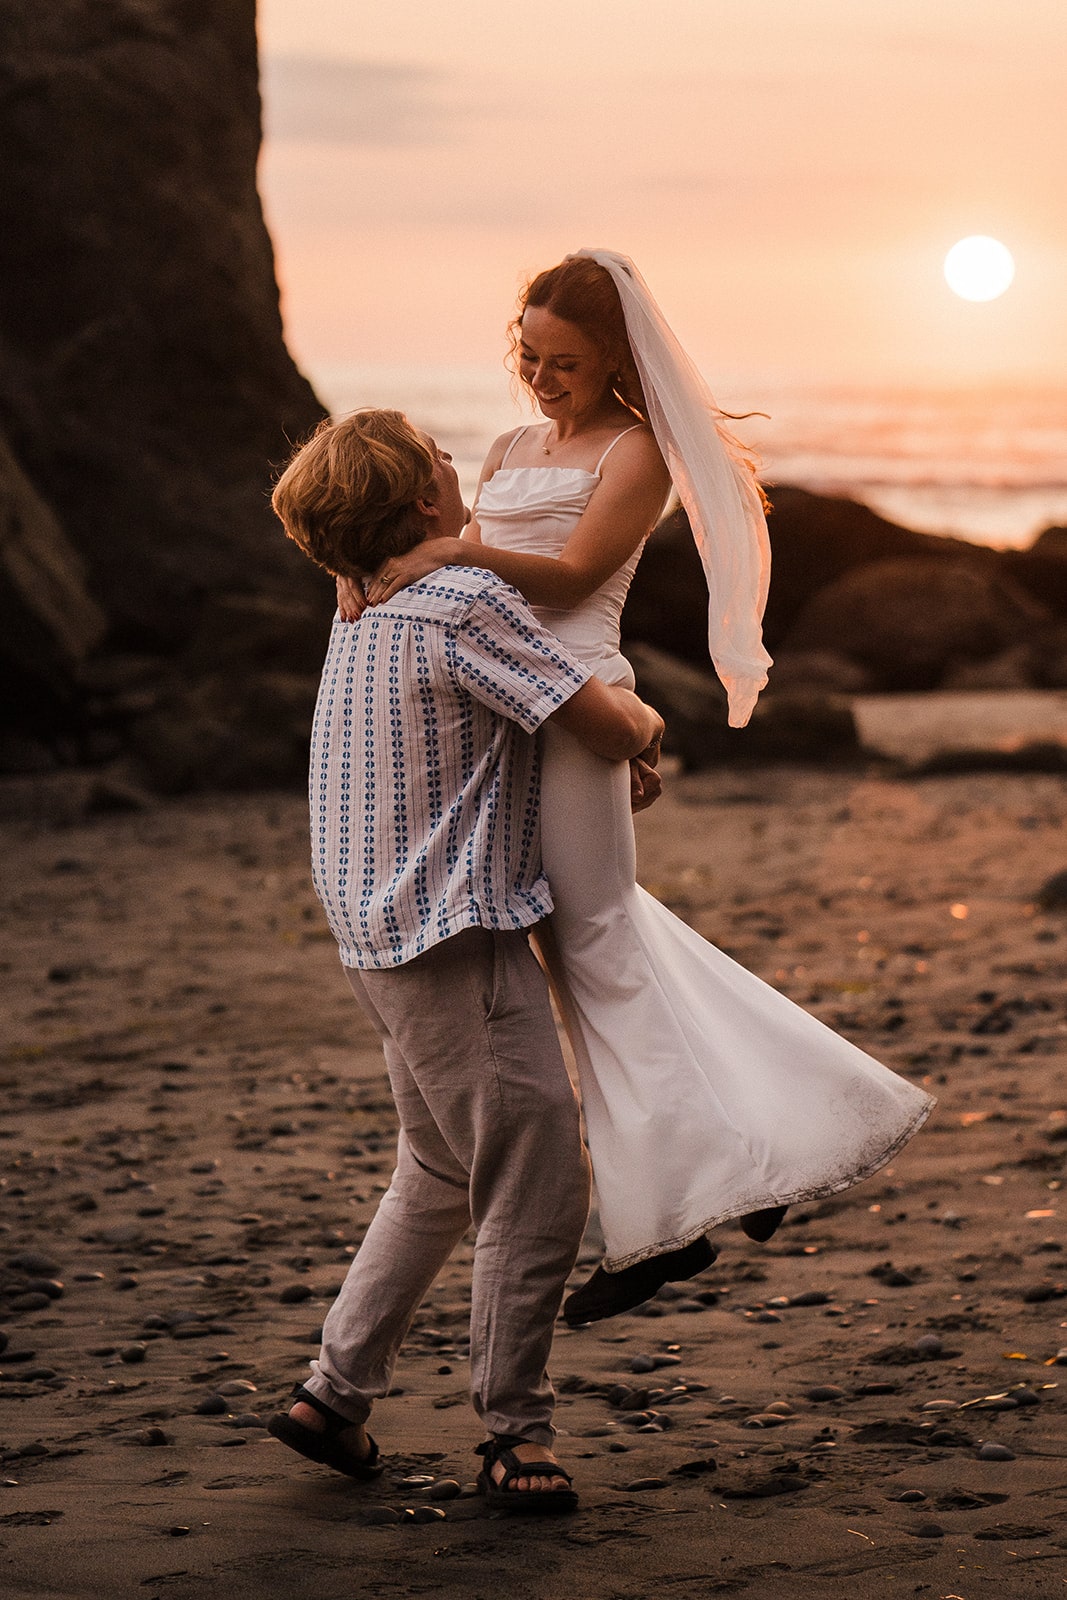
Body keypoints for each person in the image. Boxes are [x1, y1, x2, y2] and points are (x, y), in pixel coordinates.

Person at [337, 251, 935, 1325]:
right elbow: (469, 563)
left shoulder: (639, 449)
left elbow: (566, 576)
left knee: (596, 943)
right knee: (603, 938)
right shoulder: (515, 443)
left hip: (575, 697)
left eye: (562, 359)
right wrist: (379, 564)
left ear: (613, 355)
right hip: (517, 703)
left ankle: (668, 1214)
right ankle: (741, 1159)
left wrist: (441, 557)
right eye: (526, 353)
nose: (539, 376)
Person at [267, 407, 664, 1511]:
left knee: (442, 1168)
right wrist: (646, 726)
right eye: (442, 460)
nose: (459, 464)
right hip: (453, 935)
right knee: (538, 1176)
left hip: (373, 935)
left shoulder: (356, 603)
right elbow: (597, 719)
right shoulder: (459, 598)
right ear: (426, 504)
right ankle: (512, 1432)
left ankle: (332, 1392)